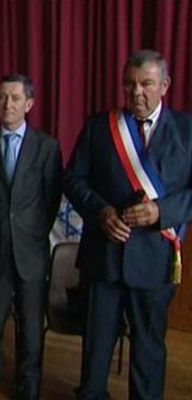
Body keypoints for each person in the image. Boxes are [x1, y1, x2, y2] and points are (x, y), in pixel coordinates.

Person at [64, 49, 192, 399]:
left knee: (148, 352)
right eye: (130, 84)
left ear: (164, 85)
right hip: (104, 259)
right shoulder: (99, 127)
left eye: (147, 84)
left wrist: (161, 212)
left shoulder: (187, 130)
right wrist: (101, 211)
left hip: (155, 260)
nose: (137, 92)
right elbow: (74, 180)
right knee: (95, 351)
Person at [0, 74, 62, 399]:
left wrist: (31, 231)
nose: (7, 104)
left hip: (31, 253)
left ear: (29, 103)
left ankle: (29, 389)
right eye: (2, 97)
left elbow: (51, 199)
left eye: (14, 98)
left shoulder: (47, 146)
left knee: (31, 331)